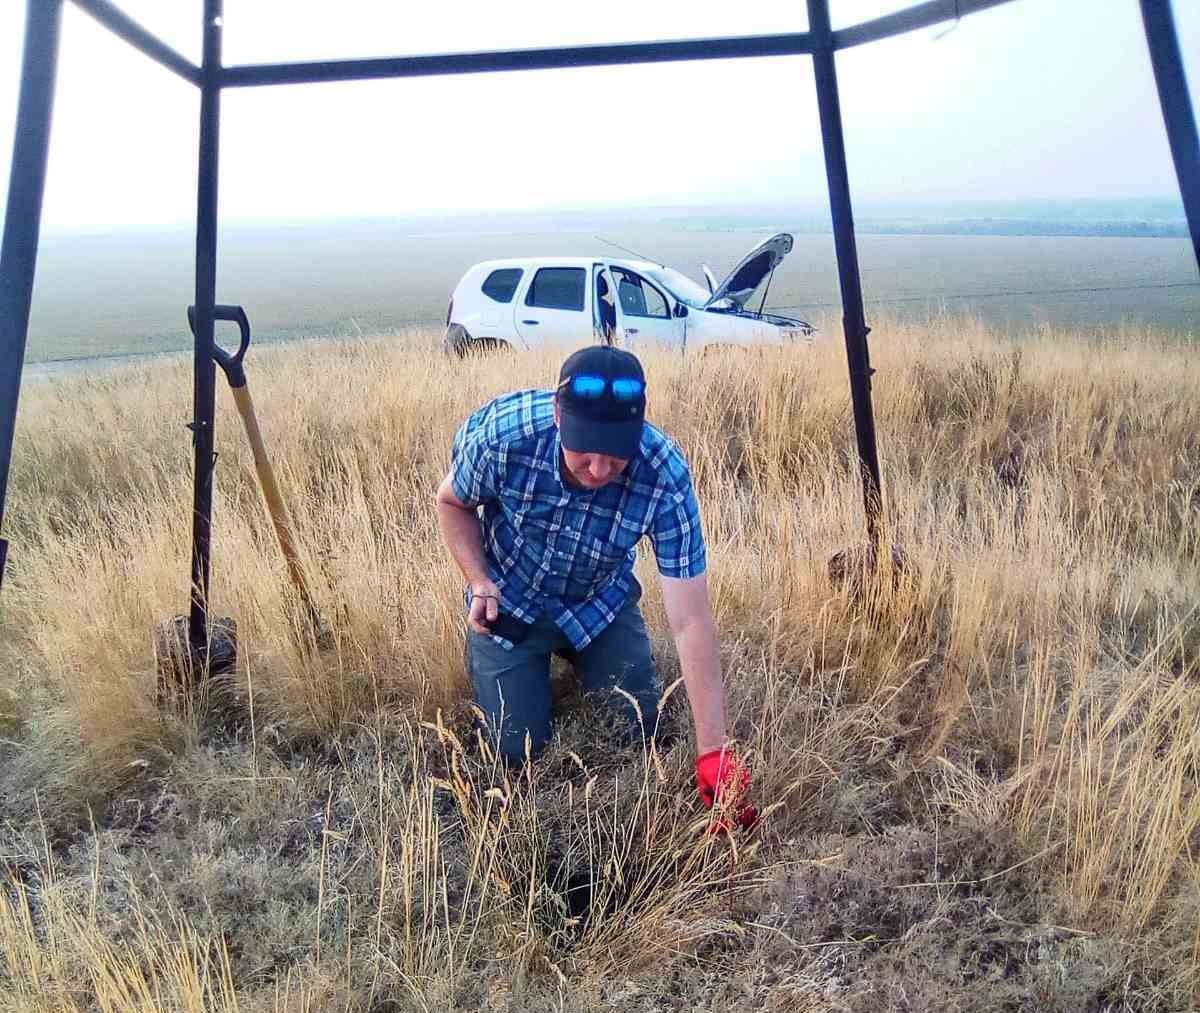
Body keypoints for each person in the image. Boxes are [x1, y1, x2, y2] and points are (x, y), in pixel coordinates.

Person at [435, 345, 756, 829]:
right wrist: (480, 582)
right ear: (557, 415)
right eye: (584, 449)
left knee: (636, 730)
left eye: (616, 453)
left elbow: (691, 619)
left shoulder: (665, 475)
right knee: (516, 753)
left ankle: (590, 657)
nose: (600, 470)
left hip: (599, 602)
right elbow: (452, 502)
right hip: (512, 601)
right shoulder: (504, 438)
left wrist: (714, 751)